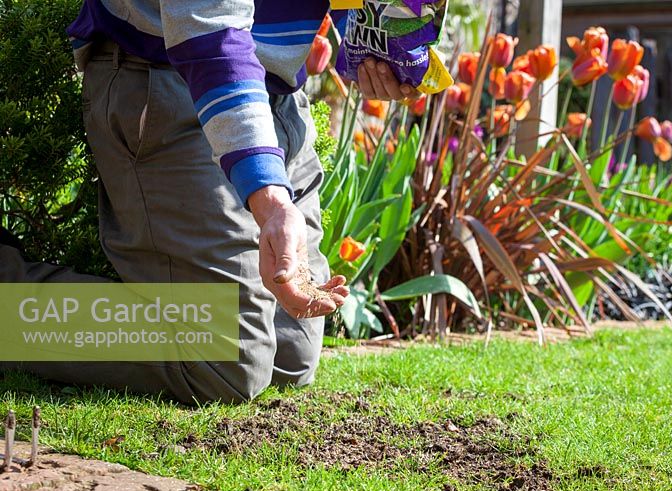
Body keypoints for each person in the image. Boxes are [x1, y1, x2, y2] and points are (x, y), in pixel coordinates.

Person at [0, 0, 418, 403]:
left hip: (277, 92)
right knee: (228, 360)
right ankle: (6, 312)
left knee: (292, 354)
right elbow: (208, 30)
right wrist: (269, 197)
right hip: (174, 73)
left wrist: (377, 38)